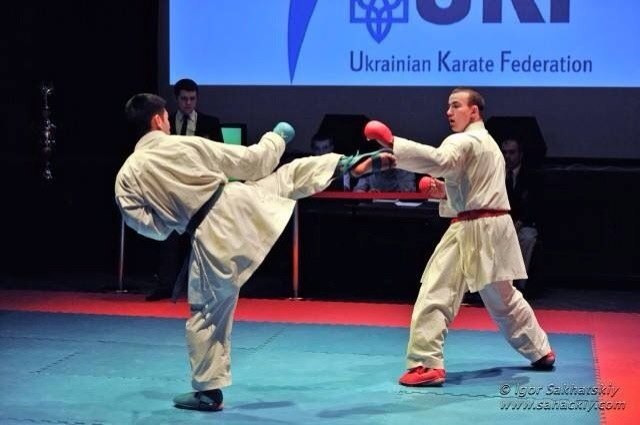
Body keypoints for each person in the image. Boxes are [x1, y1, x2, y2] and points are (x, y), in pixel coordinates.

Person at [115, 93, 395, 411]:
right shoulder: (183, 145)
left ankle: (208, 392)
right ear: (157, 120)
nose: (167, 122)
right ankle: (341, 164)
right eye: (166, 117)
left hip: (209, 236)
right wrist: (276, 138)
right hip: (239, 203)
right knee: (286, 178)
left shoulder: (127, 175)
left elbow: (147, 226)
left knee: (207, 314)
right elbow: (252, 162)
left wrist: (171, 221)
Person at [363, 87, 555, 387]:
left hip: (472, 228)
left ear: (473, 111)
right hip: (495, 225)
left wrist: (392, 143)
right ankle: (540, 349)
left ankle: (426, 364)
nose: (448, 112)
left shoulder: (464, 140)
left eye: (455, 106)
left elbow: (440, 160)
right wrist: (443, 191)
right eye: (448, 107)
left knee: (436, 290)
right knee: (503, 298)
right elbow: (475, 192)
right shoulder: (489, 145)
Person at [146, 78, 225, 301]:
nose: (188, 103)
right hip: (171, 189)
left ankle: (205, 288)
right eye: (184, 99)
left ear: (197, 99)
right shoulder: (165, 124)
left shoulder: (210, 123)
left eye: (192, 99)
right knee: (168, 238)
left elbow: (219, 156)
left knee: (205, 240)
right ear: (177, 99)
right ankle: (165, 285)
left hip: (201, 191)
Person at [501, 138, 540, 293]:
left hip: (523, 222)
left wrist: (519, 223)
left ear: (520, 154)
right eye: (504, 153)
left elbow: (533, 206)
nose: (507, 157)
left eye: (512, 153)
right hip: (499, 221)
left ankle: (519, 285)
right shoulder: (496, 174)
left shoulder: (531, 176)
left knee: (527, 238)